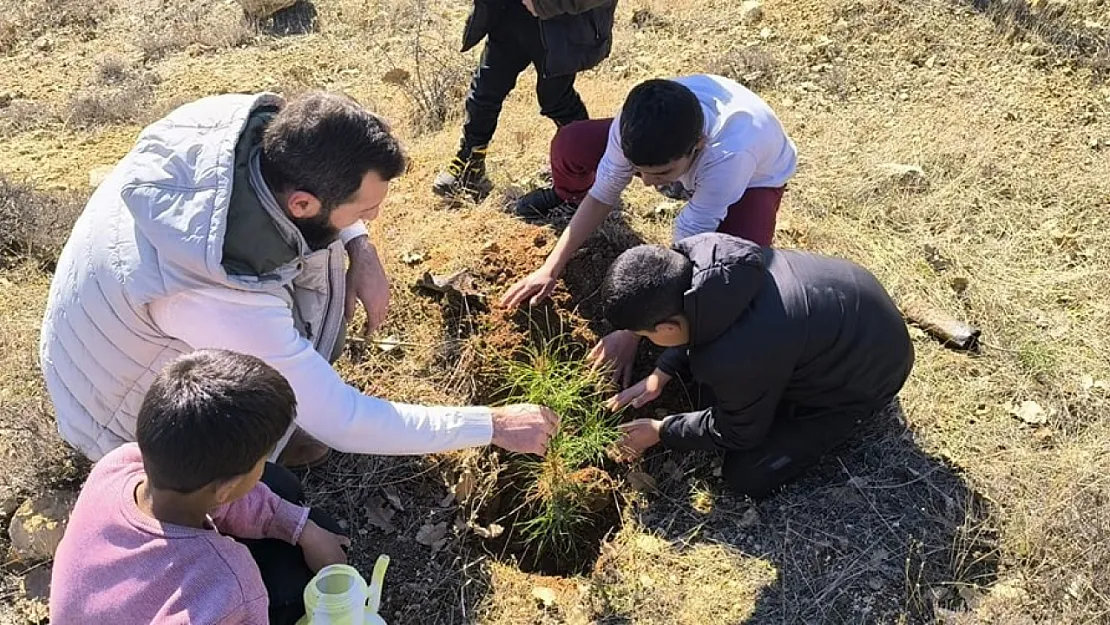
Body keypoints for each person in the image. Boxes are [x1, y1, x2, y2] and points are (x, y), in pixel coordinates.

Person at [40, 91, 559, 468]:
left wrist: (361, 248)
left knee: (326, 253)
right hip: (113, 416)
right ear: (303, 203)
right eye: (366, 209)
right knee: (295, 445)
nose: (374, 218)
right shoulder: (221, 292)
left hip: (102, 331)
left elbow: (327, 209)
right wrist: (493, 424)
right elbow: (345, 420)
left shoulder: (239, 129)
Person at [501, 74, 798, 385]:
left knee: (742, 267)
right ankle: (566, 195)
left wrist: (633, 332)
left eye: (659, 173)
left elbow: (683, 254)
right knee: (571, 143)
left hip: (757, 178)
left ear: (697, 146)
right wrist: (550, 267)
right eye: (636, 169)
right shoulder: (631, 126)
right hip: (689, 157)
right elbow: (604, 193)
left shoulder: (730, 157)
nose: (643, 183)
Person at [599, 233, 914, 498]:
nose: (649, 341)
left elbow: (739, 432)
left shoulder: (736, 357)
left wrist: (661, 431)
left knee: (747, 474)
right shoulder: (706, 256)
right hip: (854, 314)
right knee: (711, 388)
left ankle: (842, 415)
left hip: (869, 378)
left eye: (645, 336)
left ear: (666, 329)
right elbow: (701, 317)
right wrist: (662, 372)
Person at [50, 349, 350, 624]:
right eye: (262, 457)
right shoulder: (227, 582)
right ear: (224, 489)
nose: (263, 463)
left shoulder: (117, 464)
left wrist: (302, 529)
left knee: (278, 484)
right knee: (296, 579)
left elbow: (231, 495)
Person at [431, 0, 618, 201]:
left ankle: (580, 171)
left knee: (556, 101)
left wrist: (544, 4)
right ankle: (470, 162)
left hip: (562, 28)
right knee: (485, 92)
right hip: (509, 15)